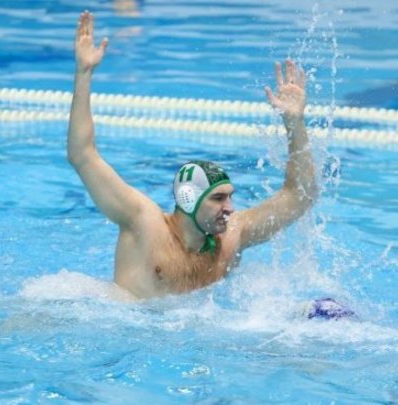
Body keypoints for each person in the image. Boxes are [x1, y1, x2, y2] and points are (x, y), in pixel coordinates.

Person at [68, 11, 317, 299]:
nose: (230, 208)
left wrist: (295, 124)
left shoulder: (231, 237)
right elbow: (82, 155)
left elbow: (300, 197)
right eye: (218, 198)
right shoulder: (143, 223)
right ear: (188, 198)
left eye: (229, 197)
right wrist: (84, 73)